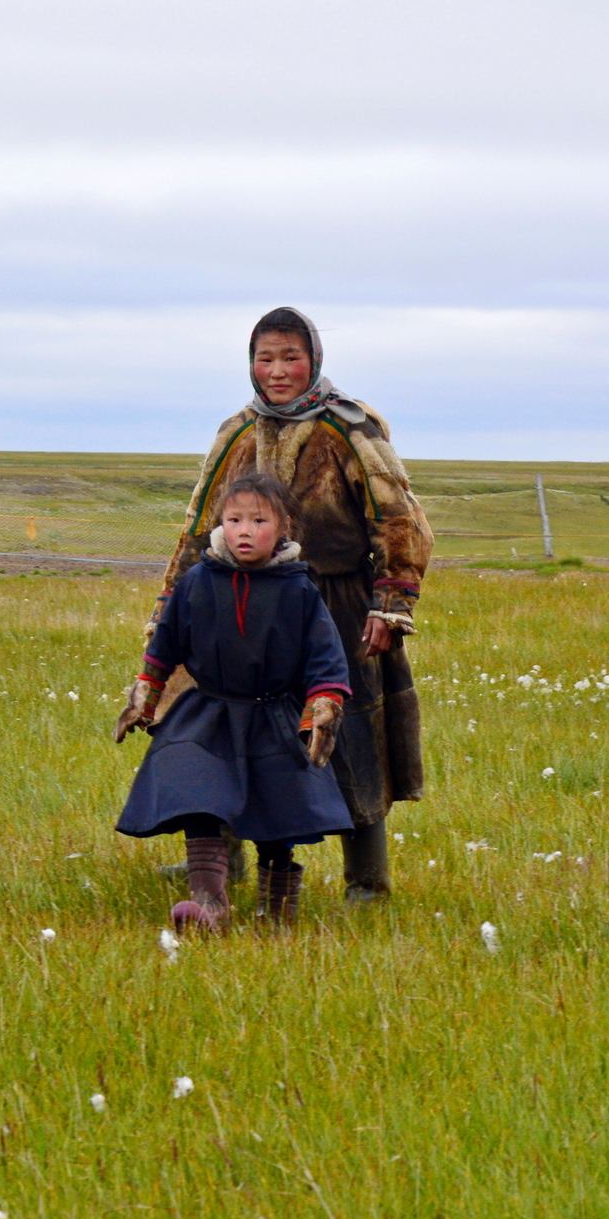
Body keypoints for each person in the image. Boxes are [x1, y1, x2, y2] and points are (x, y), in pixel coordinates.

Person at [143, 307, 431, 901]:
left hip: (336, 603)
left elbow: (399, 519)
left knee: (350, 734)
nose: (277, 371)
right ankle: (223, 861)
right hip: (235, 603)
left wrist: (391, 601)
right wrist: (170, 604)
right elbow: (200, 526)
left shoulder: (351, 429)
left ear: (315, 359)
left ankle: (367, 880)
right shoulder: (236, 433)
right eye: (265, 357)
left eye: (290, 357)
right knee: (225, 729)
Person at [114, 474, 351, 929]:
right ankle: (209, 905)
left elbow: (324, 656)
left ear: (283, 528)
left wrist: (322, 706)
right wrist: (147, 692)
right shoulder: (197, 581)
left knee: (276, 811)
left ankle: (276, 910)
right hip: (209, 713)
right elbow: (166, 643)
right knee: (198, 795)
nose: (245, 530)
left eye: (258, 520)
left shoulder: (299, 589)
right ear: (220, 523)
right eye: (234, 519)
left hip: (273, 713)